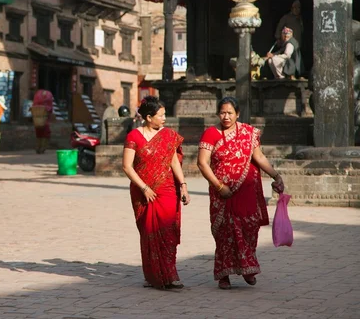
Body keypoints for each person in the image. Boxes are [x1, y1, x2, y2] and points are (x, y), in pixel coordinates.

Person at [197, 97, 285, 290]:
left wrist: (275, 176)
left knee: (249, 230)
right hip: (223, 194)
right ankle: (224, 275)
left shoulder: (248, 133)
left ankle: (247, 268)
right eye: (222, 112)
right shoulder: (211, 134)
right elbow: (203, 163)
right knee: (225, 234)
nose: (226, 116)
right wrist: (219, 186)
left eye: (230, 113)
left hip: (247, 192)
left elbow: (259, 157)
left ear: (237, 114)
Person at [122, 96, 190, 289]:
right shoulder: (134, 136)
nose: (164, 118)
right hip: (142, 192)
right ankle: (152, 275)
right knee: (148, 232)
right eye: (161, 115)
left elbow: (174, 161)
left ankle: (171, 274)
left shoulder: (168, 135)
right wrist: (144, 187)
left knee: (168, 231)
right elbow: (127, 166)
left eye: (164, 114)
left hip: (167, 189)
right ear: (149, 117)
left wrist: (183, 184)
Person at [31, 89, 54, 154]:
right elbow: (50, 110)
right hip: (44, 121)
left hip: (37, 121)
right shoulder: (47, 104)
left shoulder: (36, 104)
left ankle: (38, 147)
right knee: (45, 134)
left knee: (38, 134)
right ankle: (42, 148)